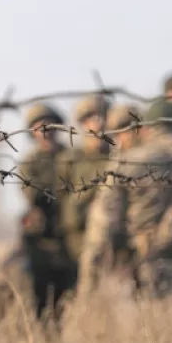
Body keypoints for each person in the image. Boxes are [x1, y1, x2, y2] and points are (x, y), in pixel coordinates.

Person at [80, 100, 172, 312]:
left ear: (147, 130)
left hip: (150, 277)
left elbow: (101, 232)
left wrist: (87, 290)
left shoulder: (129, 163)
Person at [18, 103, 76, 319]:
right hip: (41, 238)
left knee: (68, 292)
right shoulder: (30, 162)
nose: (45, 130)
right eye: (38, 126)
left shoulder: (71, 157)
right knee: (39, 293)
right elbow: (32, 194)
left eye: (49, 125)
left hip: (69, 235)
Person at [56, 95, 113, 267]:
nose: (99, 123)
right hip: (77, 238)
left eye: (103, 117)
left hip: (112, 236)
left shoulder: (120, 159)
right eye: (92, 118)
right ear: (83, 124)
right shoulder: (69, 160)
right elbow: (57, 199)